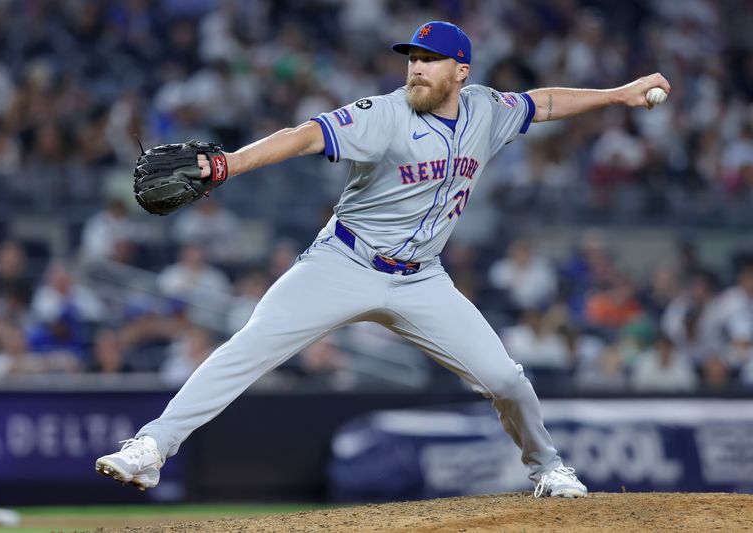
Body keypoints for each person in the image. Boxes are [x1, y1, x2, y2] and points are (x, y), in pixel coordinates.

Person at [97, 20, 670, 498]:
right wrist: (225, 166)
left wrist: (619, 93)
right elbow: (304, 135)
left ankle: (548, 469)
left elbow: (543, 103)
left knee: (505, 379)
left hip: (423, 280)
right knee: (248, 347)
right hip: (342, 263)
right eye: (412, 58)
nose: (417, 67)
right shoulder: (383, 114)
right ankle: (152, 446)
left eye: (431, 59)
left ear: (461, 72)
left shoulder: (485, 111)